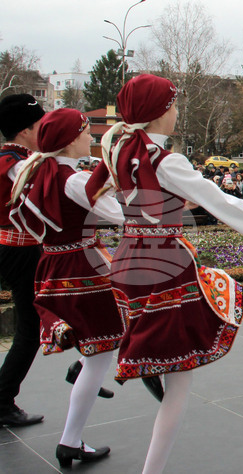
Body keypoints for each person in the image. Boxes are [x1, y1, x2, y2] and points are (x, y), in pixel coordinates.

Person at [84, 74, 243, 474]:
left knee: (172, 345)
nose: (177, 113)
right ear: (161, 112)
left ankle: (143, 362)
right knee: (181, 380)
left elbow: (96, 197)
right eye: (174, 106)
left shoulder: (121, 154)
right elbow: (220, 202)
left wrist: (133, 222)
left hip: (129, 262)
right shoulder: (165, 161)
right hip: (165, 269)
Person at [7, 109, 125, 467]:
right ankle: (70, 440)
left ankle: (80, 378)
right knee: (103, 352)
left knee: (103, 346)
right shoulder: (72, 180)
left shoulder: (34, 173)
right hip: (83, 267)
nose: (89, 138)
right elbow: (119, 214)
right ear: (71, 138)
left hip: (55, 264)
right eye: (86, 132)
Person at [0, 94, 46, 428]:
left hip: (13, 247)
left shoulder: (10, 159)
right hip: (21, 251)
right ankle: (2, 401)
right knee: (30, 329)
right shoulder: (21, 165)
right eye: (40, 125)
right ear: (25, 130)